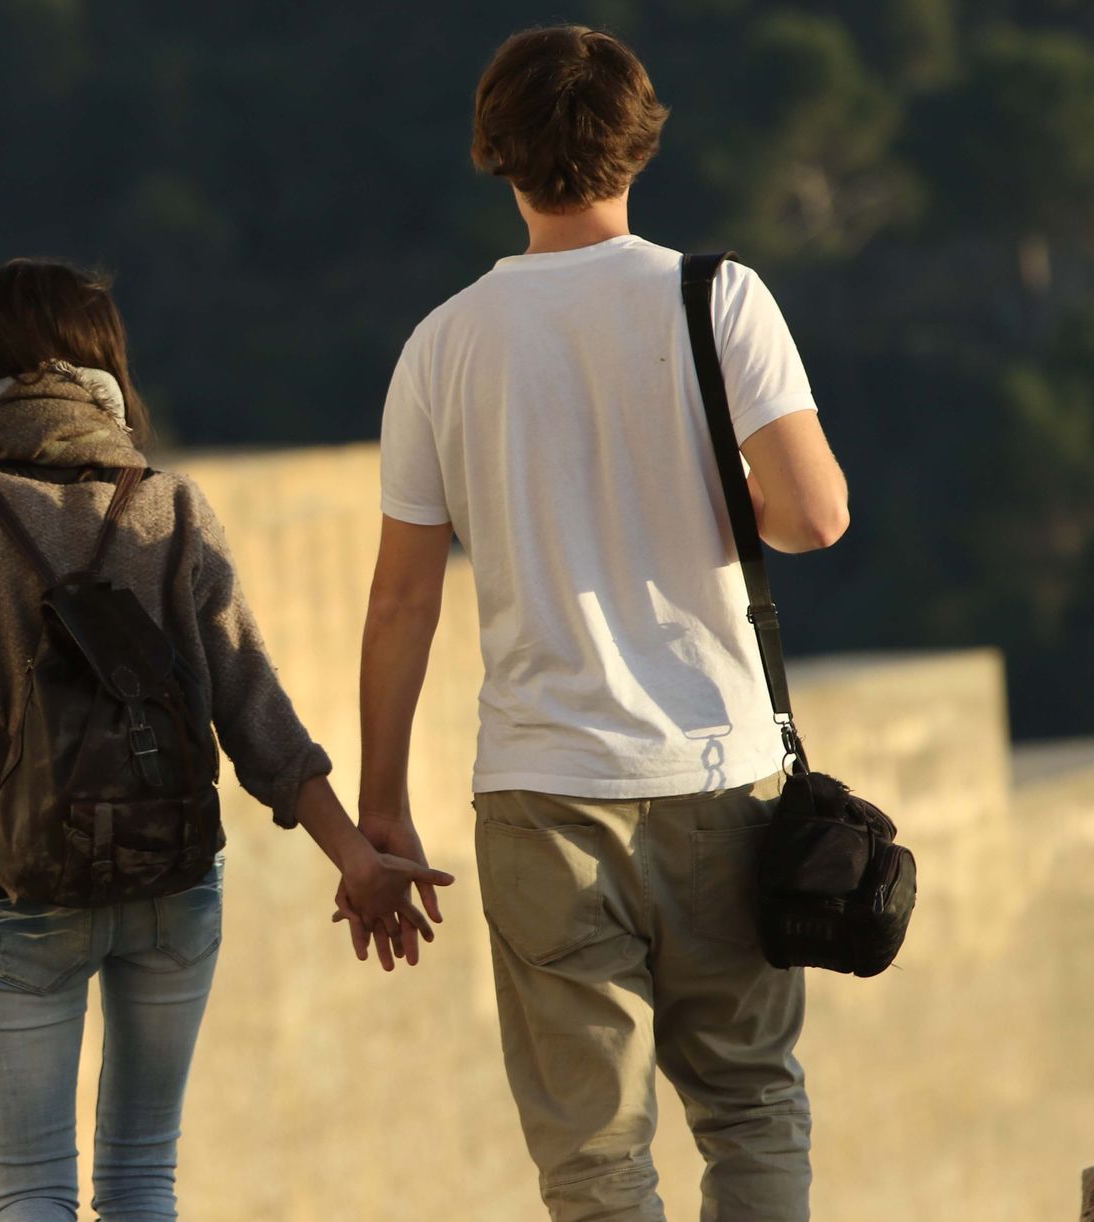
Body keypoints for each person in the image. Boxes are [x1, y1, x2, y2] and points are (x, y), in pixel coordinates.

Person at [0, 258, 453, 1221]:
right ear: (101, 376)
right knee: (141, 1178)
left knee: (31, 1189)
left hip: (17, 885)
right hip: (172, 881)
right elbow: (255, 714)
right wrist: (355, 856)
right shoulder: (171, 505)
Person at [347, 25, 848, 1222]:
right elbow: (815, 516)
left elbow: (402, 598)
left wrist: (378, 808)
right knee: (750, 1105)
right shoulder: (716, 297)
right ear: (638, 141)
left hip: (541, 793)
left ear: (496, 154)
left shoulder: (440, 347)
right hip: (720, 774)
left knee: (593, 1159)